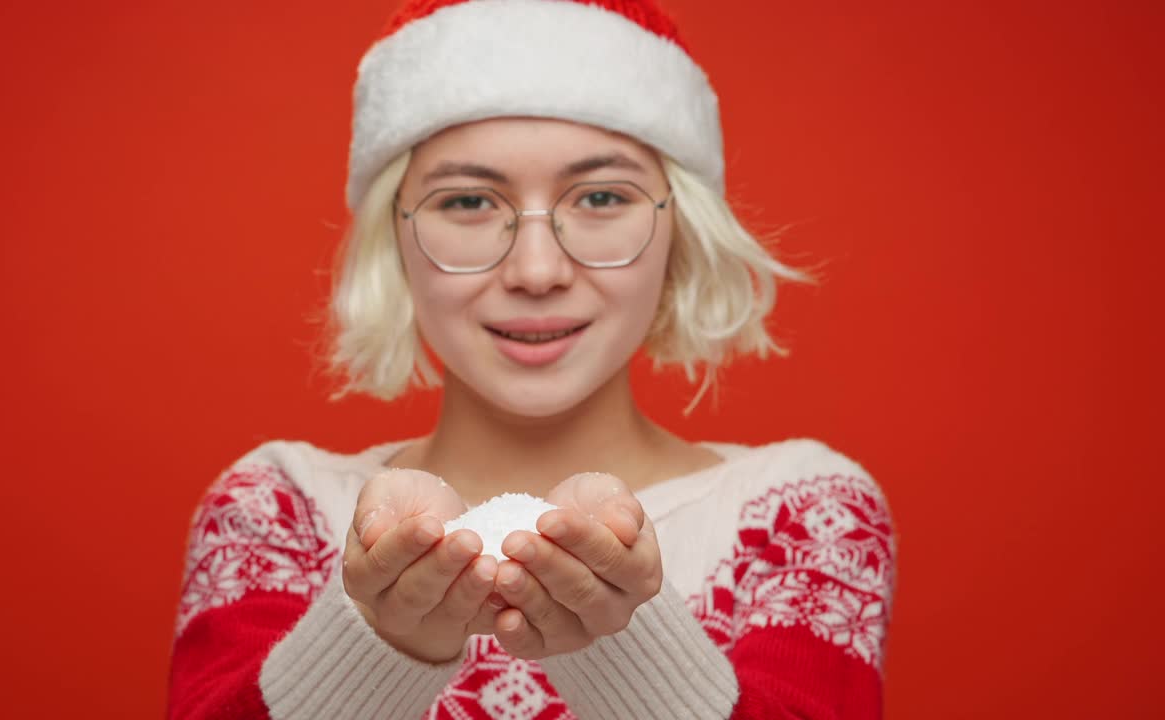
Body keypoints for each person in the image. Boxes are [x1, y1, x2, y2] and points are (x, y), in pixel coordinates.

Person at [167, 1, 896, 718]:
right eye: (468, 204)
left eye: (603, 196)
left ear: (682, 230)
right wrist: (378, 642)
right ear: (395, 239)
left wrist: (626, 647)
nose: (537, 269)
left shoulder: (806, 513)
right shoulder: (274, 507)